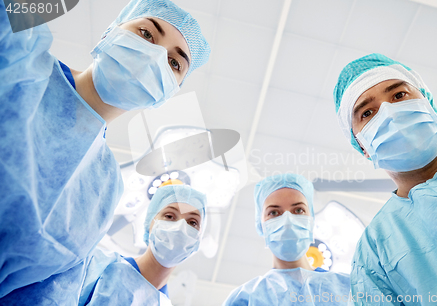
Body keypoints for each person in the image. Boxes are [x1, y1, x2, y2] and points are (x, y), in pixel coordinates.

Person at [0, 0, 210, 300]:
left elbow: (46, 294)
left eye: (174, 64)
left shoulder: (104, 189)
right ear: (110, 33)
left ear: (167, 94)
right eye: (147, 34)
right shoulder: (20, 58)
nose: (155, 58)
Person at [333, 53, 437, 305]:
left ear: (427, 102)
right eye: (367, 113)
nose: (389, 113)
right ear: (362, 147)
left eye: (399, 95)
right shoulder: (375, 254)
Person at [224, 173, 350, 306]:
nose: (288, 221)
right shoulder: (246, 299)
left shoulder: (349, 288)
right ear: (261, 226)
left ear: (311, 221)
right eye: (274, 213)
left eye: (298, 210)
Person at [77, 183, 206, 306]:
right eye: (169, 216)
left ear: (198, 239)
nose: (180, 227)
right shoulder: (96, 266)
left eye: (192, 222)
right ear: (150, 223)